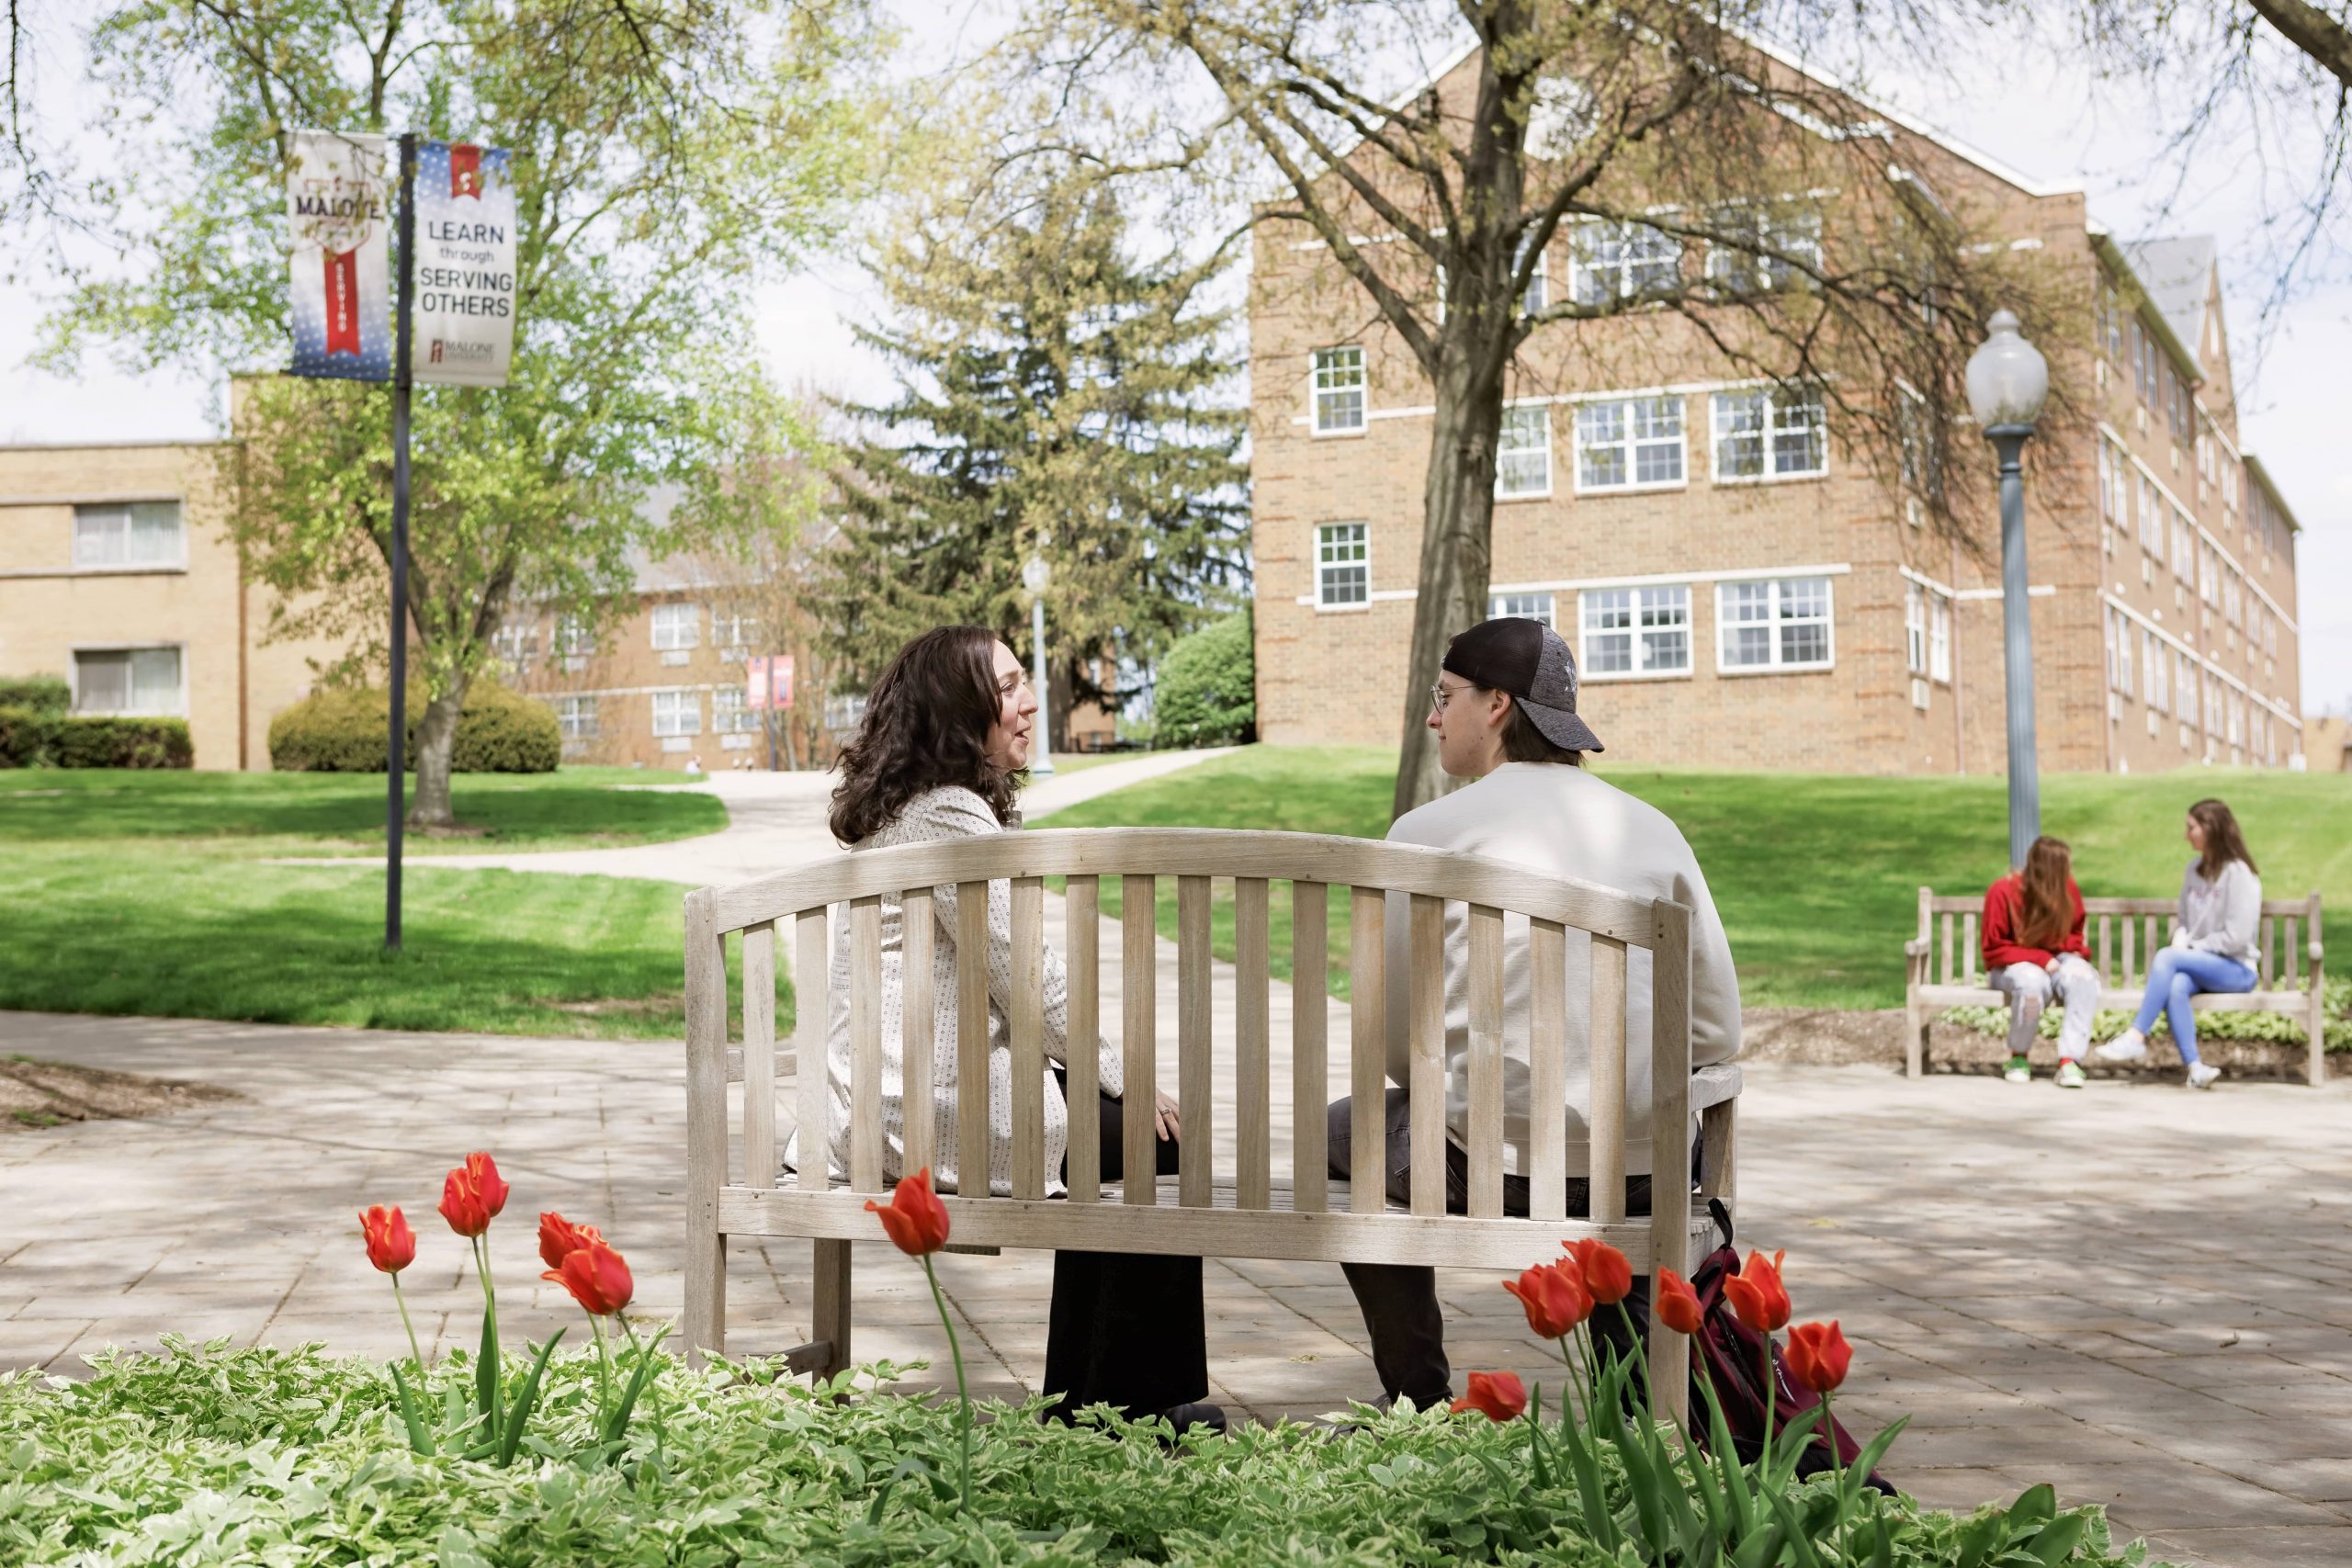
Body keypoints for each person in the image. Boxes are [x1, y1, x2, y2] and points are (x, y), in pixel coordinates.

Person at [1328, 617, 1742, 1411]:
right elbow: (1718, 1035)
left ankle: (1415, 1397)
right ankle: (1638, 1403)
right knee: (1627, 1148)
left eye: (1445, 697)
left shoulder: (1425, 835)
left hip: (1487, 1170)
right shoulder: (1653, 832)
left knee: (1348, 1131)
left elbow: (1390, 1049)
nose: (1432, 717)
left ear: (1497, 706)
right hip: (1641, 1175)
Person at [815, 625, 1219, 1432]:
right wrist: (1123, 1073)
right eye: (1007, 687)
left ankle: (1095, 1399)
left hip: (887, 1094)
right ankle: (1115, 1407)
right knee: (1156, 1135)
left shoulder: (907, 810)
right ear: (960, 709)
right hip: (926, 1112)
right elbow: (1026, 982)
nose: (1029, 699)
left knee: (1121, 1138)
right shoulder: (950, 819)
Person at [2095, 798, 2262, 1089]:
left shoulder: (2239, 875)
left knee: (2167, 958)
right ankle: (2195, 1068)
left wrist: (2191, 948)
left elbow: (2238, 937)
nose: (2186, 835)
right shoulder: (2193, 870)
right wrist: (2184, 940)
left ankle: (2136, 1036)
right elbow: (2185, 920)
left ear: (2211, 829)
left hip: (2237, 969)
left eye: (2191, 828)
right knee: (2176, 984)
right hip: (2202, 964)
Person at [1980, 836, 2098, 1089]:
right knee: (2032, 984)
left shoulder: (2067, 891)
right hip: (2011, 967)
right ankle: (2018, 1056)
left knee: (2084, 977)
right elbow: (1993, 949)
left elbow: (2075, 932)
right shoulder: (2003, 892)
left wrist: (2075, 954)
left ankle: (2070, 1061)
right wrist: (2040, 959)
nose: (2069, 872)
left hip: (2056, 961)